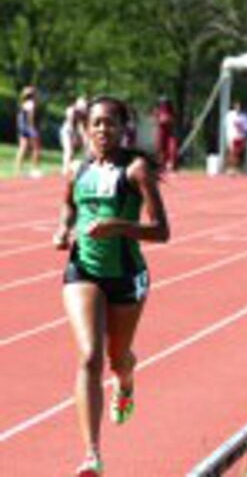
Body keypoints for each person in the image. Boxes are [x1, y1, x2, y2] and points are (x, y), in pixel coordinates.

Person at [52, 96, 170, 476]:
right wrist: (63, 228)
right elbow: (69, 206)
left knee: (117, 358)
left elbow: (161, 230)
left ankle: (127, 378)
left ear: (123, 129)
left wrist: (117, 226)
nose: (103, 130)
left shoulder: (135, 171)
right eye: (97, 123)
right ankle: (92, 454)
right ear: (86, 129)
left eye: (111, 123)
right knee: (89, 356)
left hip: (126, 275)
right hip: (83, 270)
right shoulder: (75, 169)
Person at [14, 86, 42, 177]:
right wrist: (33, 128)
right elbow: (31, 117)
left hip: (22, 128)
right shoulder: (31, 104)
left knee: (22, 148)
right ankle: (34, 169)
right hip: (29, 128)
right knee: (36, 148)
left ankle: (18, 169)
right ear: (33, 95)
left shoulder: (23, 103)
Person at [60, 97, 88, 175]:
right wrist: (75, 137)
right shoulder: (71, 111)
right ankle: (65, 170)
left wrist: (84, 139)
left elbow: (83, 127)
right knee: (69, 150)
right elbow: (72, 124)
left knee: (86, 148)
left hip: (76, 131)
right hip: (67, 131)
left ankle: (86, 166)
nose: (83, 108)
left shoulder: (85, 113)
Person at [224, 100, 247, 174]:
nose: (238, 108)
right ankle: (230, 168)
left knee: (238, 153)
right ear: (234, 107)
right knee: (232, 152)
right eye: (237, 106)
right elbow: (227, 125)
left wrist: (244, 131)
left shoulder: (243, 116)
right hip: (232, 136)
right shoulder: (230, 115)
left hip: (240, 137)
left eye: (239, 107)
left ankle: (234, 168)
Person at [153, 97, 177, 172]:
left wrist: (168, 120)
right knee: (160, 150)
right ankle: (161, 166)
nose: (164, 104)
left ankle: (171, 165)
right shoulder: (157, 111)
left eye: (166, 103)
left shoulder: (171, 112)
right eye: (163, 103)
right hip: (161, 132)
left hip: (170, 133)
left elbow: (173, 121)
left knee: (172, 148)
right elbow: (156, 121)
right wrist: (161, 120)